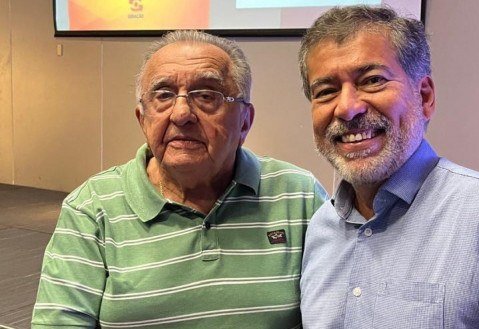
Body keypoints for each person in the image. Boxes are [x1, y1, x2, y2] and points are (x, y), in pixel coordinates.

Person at [298, 5, 479, 328]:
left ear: (424, 97)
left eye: (372, 80)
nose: (347, 108)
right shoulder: (321, 228)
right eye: (326, 91)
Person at [32, 30, 327, 328]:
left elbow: (337, 312)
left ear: (244, 123)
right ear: (142, 119)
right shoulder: (91, 209)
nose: (182, 113)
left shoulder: (299, 195)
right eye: (163, 95)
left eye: (207, 96)